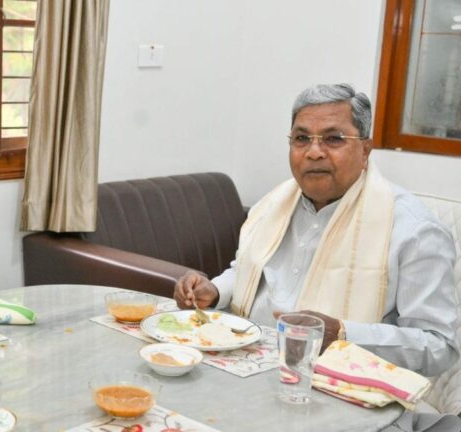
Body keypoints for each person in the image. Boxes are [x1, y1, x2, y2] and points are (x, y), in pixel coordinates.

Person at [174, 83, 459, 377]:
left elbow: (439, 346)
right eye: (301, 138)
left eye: (333, 139)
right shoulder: (273, 206)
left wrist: (343, 335)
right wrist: (215, 291)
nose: (314, 152)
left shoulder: (414, 231)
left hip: (339, 386)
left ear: (365, 150)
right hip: (243, 363)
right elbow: (250, 270)